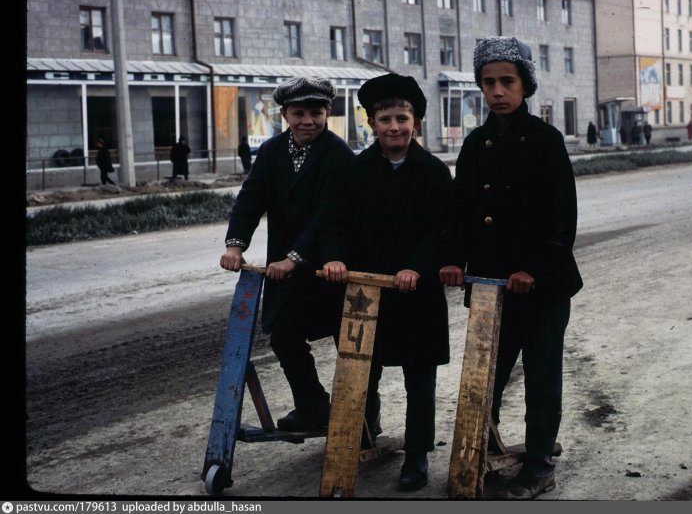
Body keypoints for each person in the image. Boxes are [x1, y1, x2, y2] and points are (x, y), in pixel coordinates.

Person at [439, 37, 583, 500]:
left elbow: (562, 218)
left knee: (541, 375)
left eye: (507, 81)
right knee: (487, 375)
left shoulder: (545, 140)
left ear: (525, 84)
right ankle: (484, 452)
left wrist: (531, 269)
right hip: (489, 288)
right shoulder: (475, 143)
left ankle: (539, 465)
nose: (497, 91)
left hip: (541, 286)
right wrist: (452, 261)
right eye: (488, 82)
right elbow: (460, 212)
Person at [321, 73, 451, 492]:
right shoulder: (353, 171)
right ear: (371, 124)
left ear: (416, 122)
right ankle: (362, 435)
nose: (394, 127)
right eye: (384, 119)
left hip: (417, 293)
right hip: (366, 292)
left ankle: (416, 456)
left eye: (402, 118)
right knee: (363, 370)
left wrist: (417, 266)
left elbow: (441, 230)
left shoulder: (433, 172)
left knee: (419, 377)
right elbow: (335, 221)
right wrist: (335, 257)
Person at [220, 77, 354, 432]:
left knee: (350, 342)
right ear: (285, 114)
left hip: (331, 262)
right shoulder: (271, 151)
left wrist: (294, 258)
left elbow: (329, 214)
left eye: (316, 112)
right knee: (283, 335)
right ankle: (313, 406)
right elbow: (251, 199)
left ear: (328, 113)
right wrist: (235, 245)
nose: (307, 120)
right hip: (284, 265)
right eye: (299, 113)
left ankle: (362, 416)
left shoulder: (337, 154)